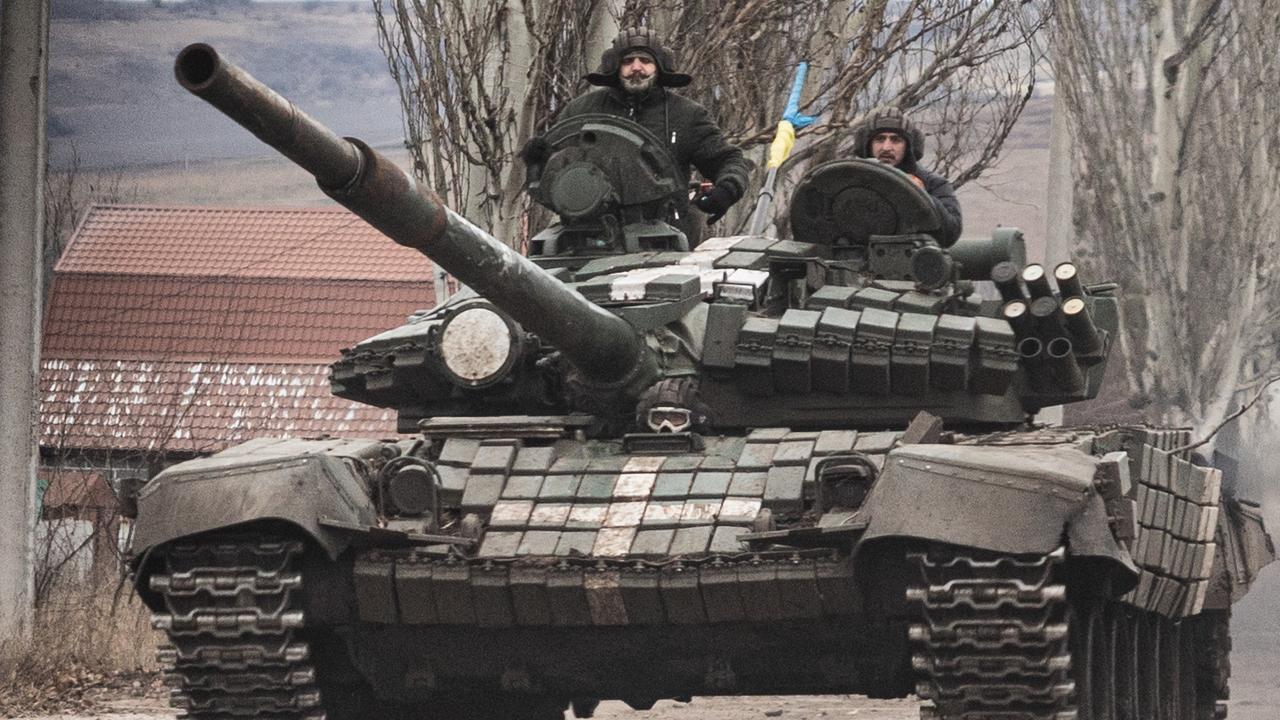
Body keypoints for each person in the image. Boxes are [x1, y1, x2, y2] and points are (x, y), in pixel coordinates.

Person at [547, 26, 751, 246]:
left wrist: (727, 189)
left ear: (659, 66)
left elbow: (728, 159)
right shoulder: (582, 112)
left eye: (645, 60)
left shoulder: (685, 115)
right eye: (628, 61)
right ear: (615, 66)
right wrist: (538, 157)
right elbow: (551, 165)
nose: (636, 68)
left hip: (664, 241)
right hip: (589, 239)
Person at [852, 107, 962, 245]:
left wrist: (924, 198)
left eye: (895, 140)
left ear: (908, 146)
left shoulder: (933, 184)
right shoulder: (847, 183)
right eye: (879, 139)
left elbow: (951, 233)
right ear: (868, 145)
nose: (886, 147)